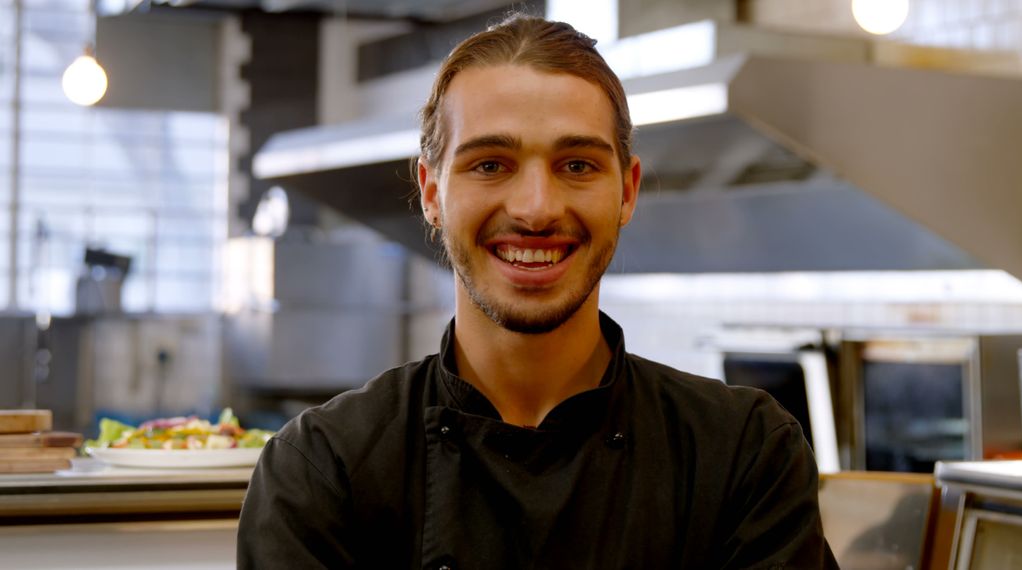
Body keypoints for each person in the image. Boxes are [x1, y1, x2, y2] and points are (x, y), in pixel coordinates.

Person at [238, 14, 837, 569]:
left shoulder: (742, 454)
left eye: (577, 165)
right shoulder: (323, 470)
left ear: (627, 191)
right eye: (490, 164)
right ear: (431, 192)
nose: (536, 209)